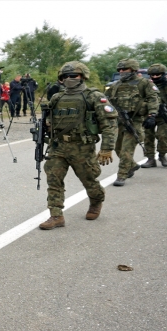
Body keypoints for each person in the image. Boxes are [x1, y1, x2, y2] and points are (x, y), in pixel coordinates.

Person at [39, 61, 118, 230]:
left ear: (82, 77)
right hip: (58, 147)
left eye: (73, 76)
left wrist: (107, 148)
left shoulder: (94, 96)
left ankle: (96, 200)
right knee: (53, 180)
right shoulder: (57, 97)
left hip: (82, 148)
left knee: (89, 180)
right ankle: (56, 215)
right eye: (65, 76)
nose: (69, 79)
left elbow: (109, 124)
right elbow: (49, 119)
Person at [106, 58, 159, 186]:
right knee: (117, 147)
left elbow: (153, 98)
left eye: (125, 69)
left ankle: (121, 175)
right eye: (120, 70)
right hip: (118, 120)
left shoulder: (144, 83)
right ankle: (132, 165)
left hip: (134, 120)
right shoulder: (116, 85)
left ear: (133, 69)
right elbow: (105, 99)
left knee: (126, 150)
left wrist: (152, 114)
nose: (122, 71)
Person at [141, 63, 167, 168]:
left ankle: (162, 155)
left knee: (162, 136)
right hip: (148, 114)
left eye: (157, 75)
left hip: (164, 114)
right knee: (148, 137)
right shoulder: (145, 84)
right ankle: (150, 159)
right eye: (152, 75)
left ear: (162, 74)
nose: (154, 77)